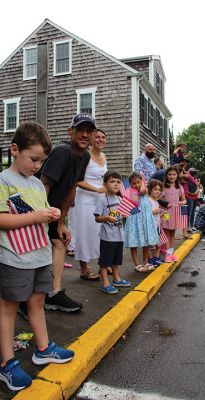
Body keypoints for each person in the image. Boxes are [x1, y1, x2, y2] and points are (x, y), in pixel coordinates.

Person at [0, 122, 74, 392]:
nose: (37, 166)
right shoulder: (4, 180)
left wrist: (54, 215)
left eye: (41, 161)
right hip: (15, 256)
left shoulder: (37, 184)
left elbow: (40, 213)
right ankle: (7, 363)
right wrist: (37, 216)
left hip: (39, 253)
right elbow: (2, 219)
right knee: (8, 308)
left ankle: (43, 348)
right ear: (15, 149)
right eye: (33, 159)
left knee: (37, 301)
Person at [39, 113, 95, 313]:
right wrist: (40, 219)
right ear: (70, 131)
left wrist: (61, 222)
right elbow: (43, 185)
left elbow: (72, 187)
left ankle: (53, 294)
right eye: (80, 129)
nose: (84, 134)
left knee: (59, 242)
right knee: (37, 250)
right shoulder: (63, 152)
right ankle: (26, 299)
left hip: (54, 212)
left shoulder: (85, 156)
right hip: (38, 209)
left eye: (89, 131)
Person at [75, 129, 107, 280]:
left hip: (100, 200)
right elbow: (78, 180)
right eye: (97, 137)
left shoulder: (104, 156)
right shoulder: (85, 156)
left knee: (101, 232)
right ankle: (84, 269)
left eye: (103, 137)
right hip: (86, 198)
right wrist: (97, 189)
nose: (100, 140)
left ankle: (103, 266)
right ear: (91, 139)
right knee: (86, 232)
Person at [94, 171, 131, 294]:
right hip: (107, 237)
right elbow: (97, 218)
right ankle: (105, 283)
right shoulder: (102, 200)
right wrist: (107, 218)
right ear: (105, 184)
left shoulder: (120, 198)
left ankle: (116, 279)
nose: (116, 184)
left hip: (119, 236)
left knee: (116, 260)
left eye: (118, 182)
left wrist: (128, 214)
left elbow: (123, 214)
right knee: (105, 261)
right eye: (112, 181)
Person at [124, 172, 159, 272]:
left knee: (147, 241)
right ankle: (137, 264)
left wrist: (142, 183)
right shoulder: (129, 191)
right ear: (130, 184)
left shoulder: (145, 189)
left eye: (139, 182)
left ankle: (146, 262)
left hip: (145, 218)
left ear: (142, 182)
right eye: (133, 183)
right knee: (133, 242)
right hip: (135, 219)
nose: (136, 185)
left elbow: (143, 190)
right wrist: (141, 183)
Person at [160, 166, 187, 262]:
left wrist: (179, 203)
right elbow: (159, 199)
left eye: (174, 174)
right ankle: (168, 254)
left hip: (175, 213)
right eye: (170, 174)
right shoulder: (163, 187)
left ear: (177, 175)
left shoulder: (179, 187)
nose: (172, 176)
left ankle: (172, 254)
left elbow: (184, 200)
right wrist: (165, 204)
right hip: (166, 213)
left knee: (172, 234)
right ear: (166, 175)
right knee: (166, 233)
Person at [147, 179, 166, 266]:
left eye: (159, 190)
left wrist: (161, 215)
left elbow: (157, 214)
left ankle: (156, 257)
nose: (158, 192)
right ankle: (150, 259)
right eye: (155, 189)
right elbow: (145, 213)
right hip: (151, 226)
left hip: (157, 225)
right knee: (150, 244)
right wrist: (153, 212)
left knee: (159, 242)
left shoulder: (156, 201)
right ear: (150, 190)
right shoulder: (148, 200)